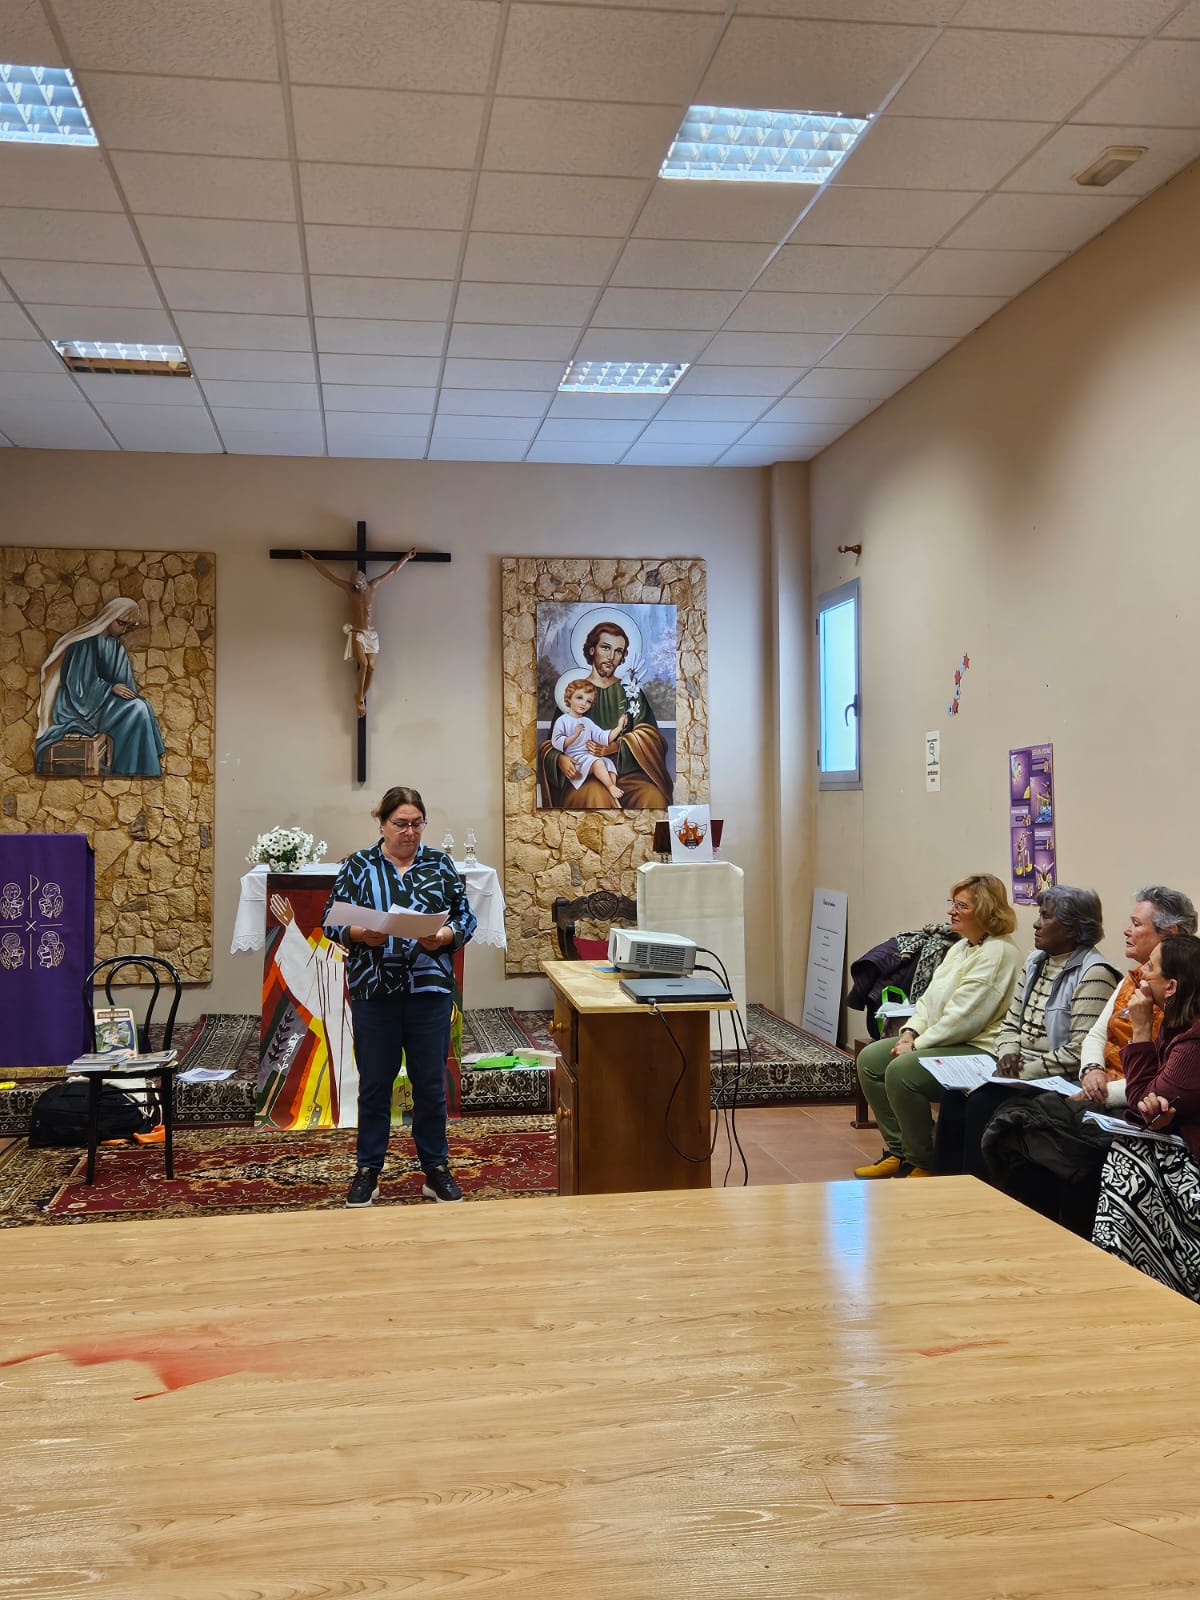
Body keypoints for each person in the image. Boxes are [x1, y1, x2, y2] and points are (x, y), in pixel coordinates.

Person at [980, 886, 1196, 1235]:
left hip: (1132, 1105)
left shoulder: (1178, 1007)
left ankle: (1067, 1239)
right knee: (1014, 1121)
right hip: (1107, 1089)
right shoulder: (1138, 981)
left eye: (1136, 924)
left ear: (1168, 935)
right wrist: (1092, 1069)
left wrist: (1104, 1090)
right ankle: (1023, 1226)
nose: (1125, 930)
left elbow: (1152, 1090)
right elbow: (1095, 1036)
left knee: (1064, 1146)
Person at [323, 786, 476, 1207]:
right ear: (382, 823)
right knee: (375, 1084)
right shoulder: (359, 865)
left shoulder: (439, 864)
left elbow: (465, 916)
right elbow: (330, 920)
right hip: (375, 991)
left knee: (430, 1084)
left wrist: (445, 935)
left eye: (417, 823)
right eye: (400, 824)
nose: (409, 832)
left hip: (429, 989)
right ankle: (368, 1171)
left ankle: (436, 1169)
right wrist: (359, 933)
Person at [933, 885, 1122, 1179]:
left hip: (1059, 1081)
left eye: (1046, 917)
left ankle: (980, 1192)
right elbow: (1010, 1023)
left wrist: (1023, 1072)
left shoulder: (1095, 973)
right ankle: (945, 1186)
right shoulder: (1036, 961)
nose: (1036, 924)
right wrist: (1007, 1053)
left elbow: (1079, 1050)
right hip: (1019, 1073)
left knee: (982, 1103)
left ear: (1072, 929)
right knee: (954, 1097)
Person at [854, 873, 1021, 1180]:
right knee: (870, 1061)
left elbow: (964, 1019)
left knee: (902, 1072)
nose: (950, 911)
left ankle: (922, 1161)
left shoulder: (998, 953)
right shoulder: (962, 947)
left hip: (979, 1048)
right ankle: (899, 1151)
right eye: (952, 903)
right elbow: (928, 1001)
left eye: (961, 906)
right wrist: (909, 1032)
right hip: (945, 1039)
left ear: (985, 911)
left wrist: (916, 1045)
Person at [1093, 932, 1200, 1301]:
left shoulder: (1193, 1044)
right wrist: (1160, 1114)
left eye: (1150, 967)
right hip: (1180, 1142)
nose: (1140, 973)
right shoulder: (1177, 1023)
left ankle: (1128, 1274)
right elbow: (1150, 1103)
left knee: (1126, 1155)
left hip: (1192, 1164)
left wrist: (1139, 1029)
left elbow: (1141, 1102)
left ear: (1171, 987)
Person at [538, 618, 673, 809]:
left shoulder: (631, 691)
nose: (611, 656)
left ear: (623, 656)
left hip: (627, 775)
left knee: (652, 796)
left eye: (618, 651)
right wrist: (559, 759)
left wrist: (615, 748)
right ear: (592, 650)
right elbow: (551, 743)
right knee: (596, 795)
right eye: (605, 648)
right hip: (585, 774)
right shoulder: (576, 692)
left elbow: (652, 739)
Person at [35, 595, 165, 777]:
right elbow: (78, 686)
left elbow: (124, 683)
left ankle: (136, 767)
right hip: (78, 706)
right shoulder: (84, 643)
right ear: (109, 617)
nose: (124, 630)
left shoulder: (116, 647)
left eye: (128, 627)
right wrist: (110, 688)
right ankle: (128, 768)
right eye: (121, 623)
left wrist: (124, 692)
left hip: (103, 703)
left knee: (142, 706)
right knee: (137, 709)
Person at [302, 549, 415, 717]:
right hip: (357, 633)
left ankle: (360, 697)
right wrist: (312, 560)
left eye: (359, 585)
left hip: (370, 634)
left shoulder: (373, 585)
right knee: (363, 664)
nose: (356, 587)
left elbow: (392, 571)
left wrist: (406, 558)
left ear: (364, 581)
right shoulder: (349, 590)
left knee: (372, 667)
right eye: (354, 585)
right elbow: (328, 575)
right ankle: (359, 701)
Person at [550, 679, 628, 805]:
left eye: (588, 701)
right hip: (574, 759)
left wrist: (619, 727)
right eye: (579, 698)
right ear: (569, 698)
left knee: (608, 764)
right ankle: (610, 787)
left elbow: (603, 737)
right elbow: (556, 742)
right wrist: (575, 735)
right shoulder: (562, 721)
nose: (584, 703)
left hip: (587, 757)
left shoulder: (587, 722)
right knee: (598, 762)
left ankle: (613, 798)